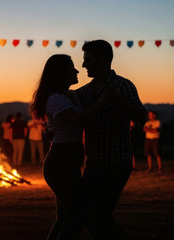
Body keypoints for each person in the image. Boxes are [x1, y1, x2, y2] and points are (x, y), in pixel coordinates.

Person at [31, 54, 115, 240]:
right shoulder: (54, 99)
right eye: (72, 68)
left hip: (69, 159)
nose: (77, 71)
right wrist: (103, 102)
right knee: (78, 214)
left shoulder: (70, 95)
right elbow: (75, 119)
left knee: (65, 217)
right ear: (61, 73)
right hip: (60, 161)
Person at [77, 40, 146, 240]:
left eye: (88, 60)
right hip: (93, 164)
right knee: (89, 215)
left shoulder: (123, 85)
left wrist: (119, 101)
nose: (83, 66)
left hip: (116, 162)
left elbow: (141, 117)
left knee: (96, 215)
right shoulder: (85, 91)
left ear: (103, 60)